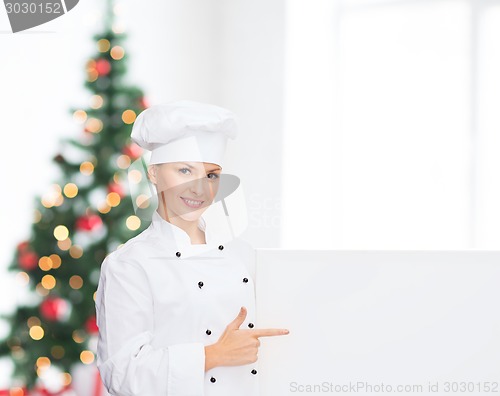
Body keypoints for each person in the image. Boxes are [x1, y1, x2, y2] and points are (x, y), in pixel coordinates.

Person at [94, 100, 289, 396]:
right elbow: (122, 375)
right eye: (185, 171)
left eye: (211, 175)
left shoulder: (245, 256)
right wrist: (213, 355)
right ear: (154, 173)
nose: (200, 189)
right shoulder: (129, 265)